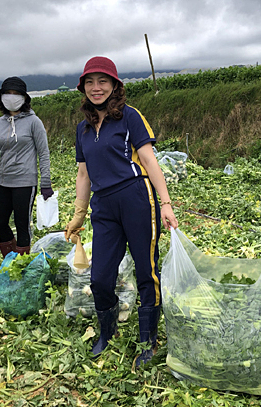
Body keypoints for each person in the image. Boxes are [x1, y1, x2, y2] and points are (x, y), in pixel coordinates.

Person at [64, 56, 178, 366]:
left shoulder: (130, 117)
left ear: (115, 85)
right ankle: (107, 331)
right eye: (90, 82)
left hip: (136, 198)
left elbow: (149, 160)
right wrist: (78, 214)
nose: (96, 88)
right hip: (103, 206)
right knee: (100, 277)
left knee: (146, 270)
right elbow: (83, 174)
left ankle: (148, 339)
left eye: (103, 81)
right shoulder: (83, 129)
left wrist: (166, 203)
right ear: (83, 88)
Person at [0, 77, 53, 256]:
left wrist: (46, 182)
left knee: (22, 225)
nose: (12, 97)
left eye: (16, 94)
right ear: (1, 98)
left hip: (25, 182)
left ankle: (21, 263)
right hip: (3, 181)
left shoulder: (34, 122)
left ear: (24, 98)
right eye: (8, 93)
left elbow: (44, 153)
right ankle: (11, 258)